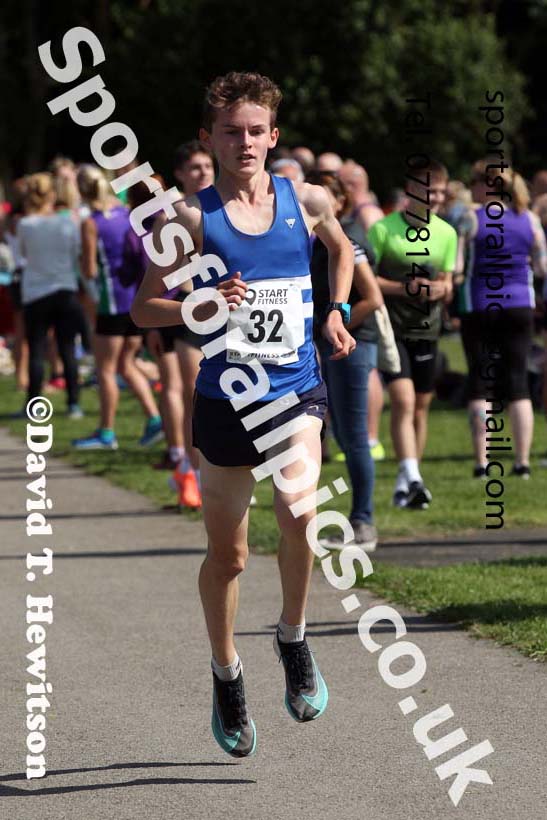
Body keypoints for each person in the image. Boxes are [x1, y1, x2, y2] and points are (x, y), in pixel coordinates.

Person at [131, 71, 355, 758]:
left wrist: (335, 309)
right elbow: (143, 308)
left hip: (294, 388)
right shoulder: (189, 220)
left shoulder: (308, 197)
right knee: (228, 556)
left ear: (273, 136)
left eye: (256, 131)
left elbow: (341, 250)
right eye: (230, 131)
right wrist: (201, 305)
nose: (244, 142)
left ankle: (291, 637)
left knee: (299, 511)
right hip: (225, 399)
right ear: (210, 139)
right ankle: (226, 675)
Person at [368, 159, 457, 509]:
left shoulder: (447, 233)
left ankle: (409, 480)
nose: (434, 196)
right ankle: (413, 478)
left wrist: (441, 290)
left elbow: (448, 283)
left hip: (428, 330)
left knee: (421, 406)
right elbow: (366, 279)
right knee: (403, 401)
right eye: (427, 189)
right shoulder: (383, 229)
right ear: (410, 191)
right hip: (393, 329)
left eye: (438, 190)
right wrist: (403, 288)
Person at [309, 171, 383, 549]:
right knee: (336, 433)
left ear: (339, 203)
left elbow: (372, 298)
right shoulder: (310, 244)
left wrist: (336, 324)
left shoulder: (347, 242)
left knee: (354, 437)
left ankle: (364, 522)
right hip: (328, 342)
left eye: (326, 198)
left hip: (353, 343)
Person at [461, 159, 547, 478]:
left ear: (485, 186)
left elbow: (458, 265)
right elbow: (541, 267)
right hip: (520, 304)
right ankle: (522, 462)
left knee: (481, 384)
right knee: (518, 382)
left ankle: (482, 463)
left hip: (481, 304)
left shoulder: (471, 219)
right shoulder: (529, 219)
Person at [73, 165, 163, 450]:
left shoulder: (92, 222)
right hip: (135, 300)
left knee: (106, 369)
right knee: (126, 364)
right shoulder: (126, 214)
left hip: (110, 303)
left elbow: (88, 269)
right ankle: (153, 418)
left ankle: (106, 432)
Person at [16, 173, 83, 417]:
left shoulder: (25, 224)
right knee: (66, 348)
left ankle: (33, 404)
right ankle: (73, 403)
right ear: (52, 195)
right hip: (64, 289)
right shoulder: (67, 222)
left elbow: (19, 256)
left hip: (35, 292)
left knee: (36, 349)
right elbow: (76, 251)